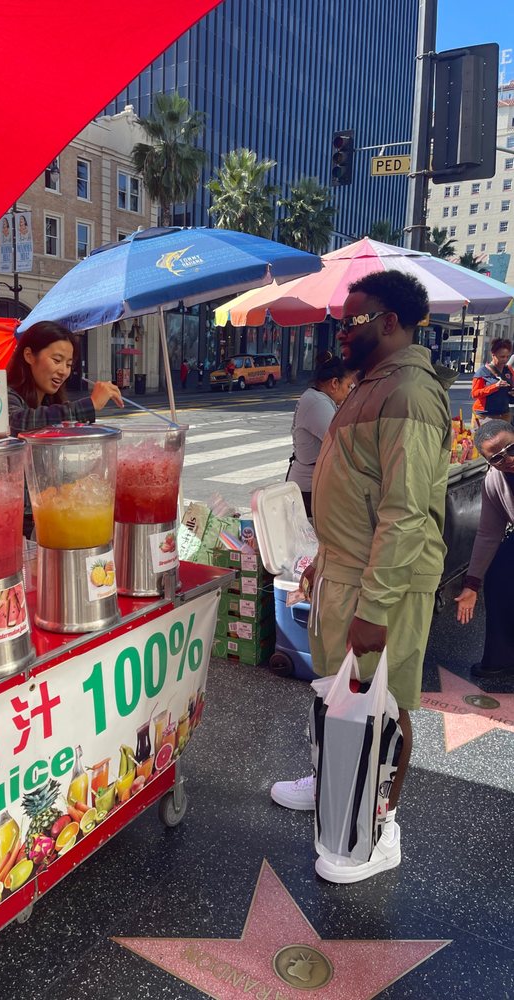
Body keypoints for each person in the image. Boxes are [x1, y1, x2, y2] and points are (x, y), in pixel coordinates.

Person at [271, 270, 454, 884]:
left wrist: (374, 605)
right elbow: (356, 486)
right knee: (339, 692)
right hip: (344, 572)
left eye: (352, 320)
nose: (341, 330)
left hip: (385, 584)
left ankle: (381, 827)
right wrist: (323, 561)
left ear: (390, 322)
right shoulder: (370, 385)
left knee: (386, 705)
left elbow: (405, 512)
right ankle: (333, 784)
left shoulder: (408, 391)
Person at [7, 321, 124, 535]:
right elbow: (17, 422)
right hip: (17, 520)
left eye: (69, 364)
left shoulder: (50, 403)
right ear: (29, 356)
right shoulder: (7, 397)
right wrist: (89, 405)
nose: (63, 371)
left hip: (48, 510)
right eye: (57, 360)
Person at [454, 419, 514, 676]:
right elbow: (489, 533)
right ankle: (501, 658)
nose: (508, 459)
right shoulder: (493, 481)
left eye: (511, 449)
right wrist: (471, 584)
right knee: (499, 571)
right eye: (498, 458)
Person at [286, 351, 355, 516]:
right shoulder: (317, 403)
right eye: (348, 386)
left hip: (311, 486)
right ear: (334, 384)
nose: (349, 392)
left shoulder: (319, 399)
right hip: (308, 490)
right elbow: (343, 442)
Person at [471, 338, 513, 425]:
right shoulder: (482, 371)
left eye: (507, 356)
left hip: (504, 414)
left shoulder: (508, 370)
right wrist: (495, 386)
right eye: (502, 356)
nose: (505, 360)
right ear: (493, 355)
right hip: (485, 415)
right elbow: (474, 394)